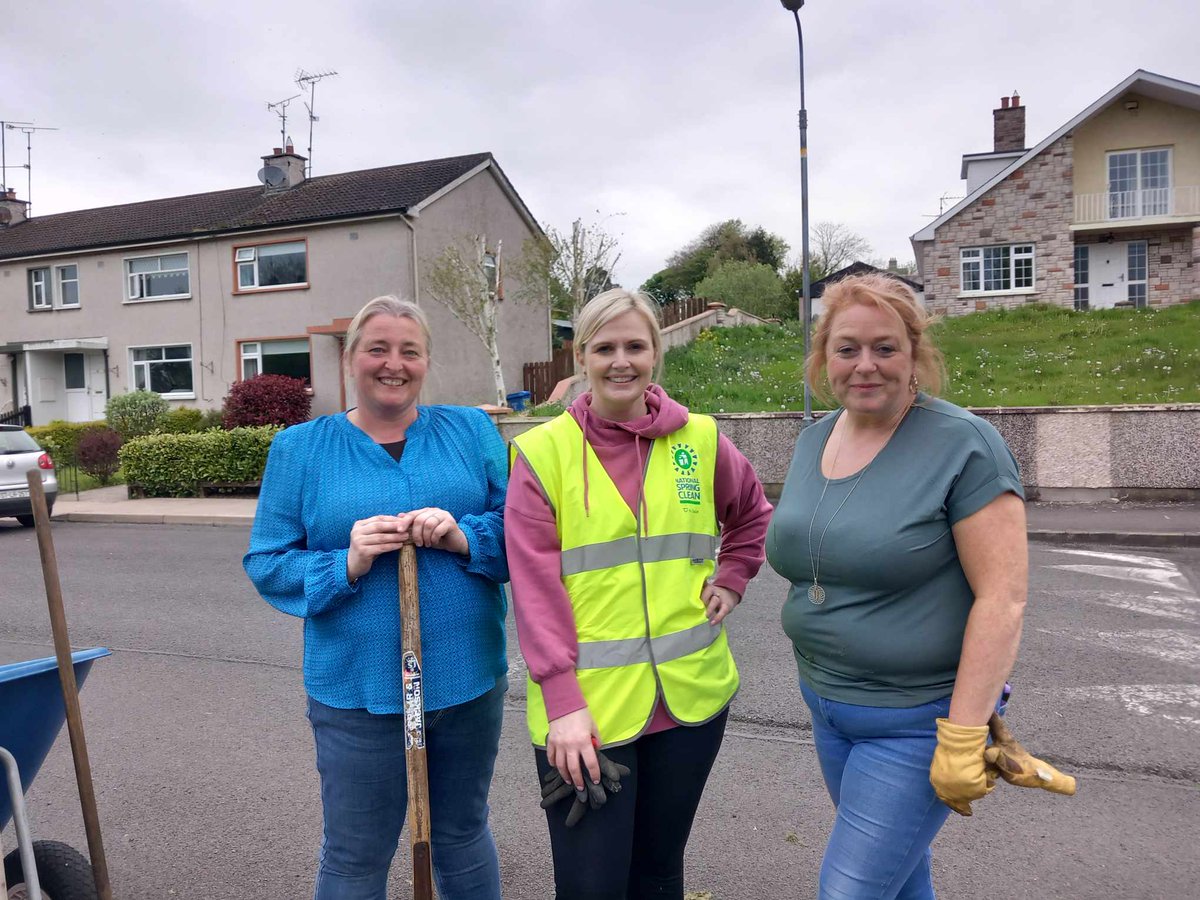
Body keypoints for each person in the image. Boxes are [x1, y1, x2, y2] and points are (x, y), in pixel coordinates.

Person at [767, 272, 1036, 899]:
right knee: (900, 877)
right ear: (823, 357)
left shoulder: (963, 445)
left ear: (915, 353)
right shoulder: (814, 440)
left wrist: (966, 734)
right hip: (829, 707)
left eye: (885, 348)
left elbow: (1003, 598)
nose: (865, 366)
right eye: (847, 348)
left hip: (919, 720)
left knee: (851, 891)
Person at [506, 288, 773, 899]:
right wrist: (564, 705)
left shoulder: (700, 441)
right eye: (605, 347)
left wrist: (732, 578)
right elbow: (535, 586)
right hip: (587, 716)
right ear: (581, 357)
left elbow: (752, 513)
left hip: (692, 700)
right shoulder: (544, 454)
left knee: (658, 874)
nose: (620, 360)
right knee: (590, 885)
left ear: (656, 352)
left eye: (635, 345)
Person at [243, 295, 509, 900]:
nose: (394, 364)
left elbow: (521, 528)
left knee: (462, 834)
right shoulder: (301, 449)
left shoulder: (469, 430)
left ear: (426, 362)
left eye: (409, 351)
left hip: (467, 680)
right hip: (356, 693)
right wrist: (348, 561)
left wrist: (462, 535)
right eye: (378, 348)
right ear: (351, 360)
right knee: (356, 853)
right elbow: (267, 563)